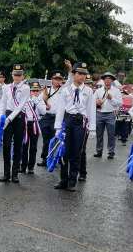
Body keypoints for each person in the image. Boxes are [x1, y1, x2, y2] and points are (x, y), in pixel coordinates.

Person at [53, 62, 96, 190]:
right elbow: (61, 109)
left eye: (84, 74)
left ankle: (72, 181)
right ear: (73, 74)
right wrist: (58, 127)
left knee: (76, 152)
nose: (82, 76)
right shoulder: (66, 89)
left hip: (80, 122)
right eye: (79, 73)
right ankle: (63, 180)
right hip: (68, 120)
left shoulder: (88, 91)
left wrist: (92, 128)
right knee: (64, 151)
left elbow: (91, 109)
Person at [0, 64, 30, 183]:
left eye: (19, 75)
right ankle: (6, 173)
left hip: (18, 117)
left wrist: (8, 119)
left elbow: (20, 106)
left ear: (22, 76)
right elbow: (2, 104)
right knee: (5, 145)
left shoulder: (26, 88)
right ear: (12, 75)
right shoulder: (7, 87)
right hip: (7, 116)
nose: (17, 77)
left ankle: (15, 174)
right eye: (15, 74)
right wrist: (1, 118)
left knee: (17, 146)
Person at [37, 71, 65, 167]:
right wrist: (45, 107)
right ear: (52, 80)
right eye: (55, 79)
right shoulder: (47, 90)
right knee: (46, 140)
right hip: (47, 117)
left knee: (56, 140)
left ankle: (56, 158)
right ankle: (45, 158)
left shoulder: (64, 91)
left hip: (57, 118)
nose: (57, 81)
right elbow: (39, 102)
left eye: (59, 79)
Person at [93, 72, 122, 159]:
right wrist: (96, 102)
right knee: (99, 134)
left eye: (109, 79)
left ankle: (111, 152)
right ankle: (99, 151)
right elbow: (92, 102)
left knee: (111, 134)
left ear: (112, 80)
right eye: (105, 79)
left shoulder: (116, 91)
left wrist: (111, 98)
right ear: (103, 80)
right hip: (99, 113)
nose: (107, 80)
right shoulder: (98, 90)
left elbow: (120, 103)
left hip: (110, 114)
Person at [21, 81, 47, 174]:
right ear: (30, 91)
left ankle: (31, 167)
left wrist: (38, 102)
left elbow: (43, 112)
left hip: (35, 124)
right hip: (25, 123)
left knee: (33, 147)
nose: (35, 92)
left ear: (39, 91)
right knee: (24, 146)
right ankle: (23, 166)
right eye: (33, 90)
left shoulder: (40, 100)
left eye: (37, 91)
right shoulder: (25, 99)